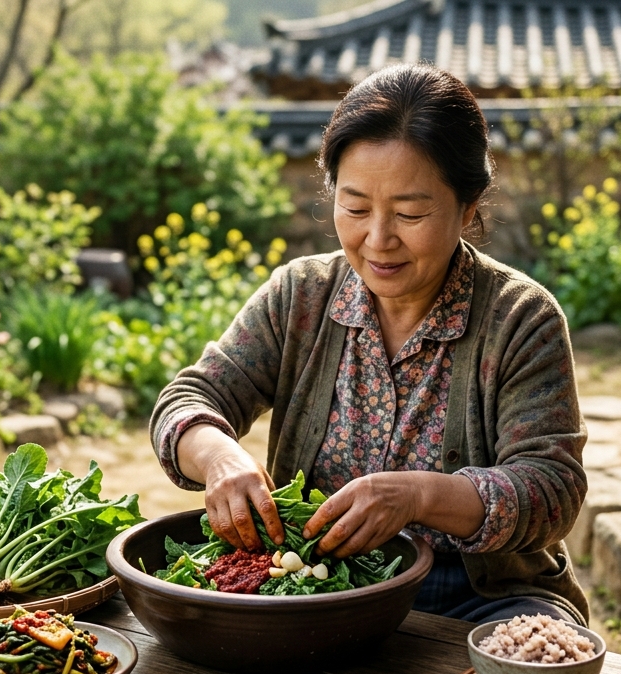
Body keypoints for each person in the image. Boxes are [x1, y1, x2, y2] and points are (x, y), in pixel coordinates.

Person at [149, 64, 589, 625]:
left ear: (469, 206)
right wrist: (218, 457)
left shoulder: (521, 319)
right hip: (313, 584)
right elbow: (187, 400)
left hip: (483, 598)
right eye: (355, 208)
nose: (378, 239)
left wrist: (419, 496)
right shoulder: (300, 296)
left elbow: (551, 490)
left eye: (410, 213)